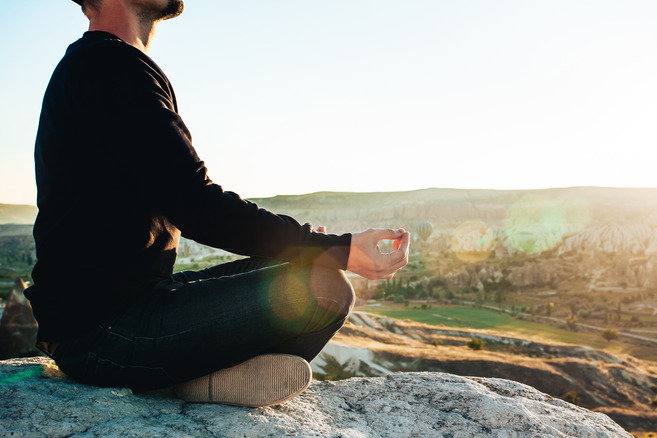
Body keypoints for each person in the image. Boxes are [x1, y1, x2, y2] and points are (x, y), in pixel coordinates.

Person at [25, 0, 410, 408]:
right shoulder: (109, 67)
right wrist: (342, 248)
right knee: (326, 288)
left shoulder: (101, 65)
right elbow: (197, 204)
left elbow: (184, 198)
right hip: (103, 331)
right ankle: (187, 382)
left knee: (307, 267)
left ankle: (196, 377)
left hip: (121, 309)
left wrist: (312, 247)